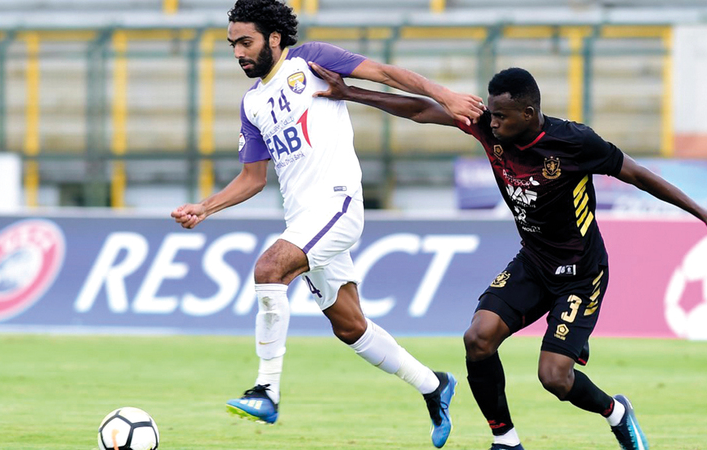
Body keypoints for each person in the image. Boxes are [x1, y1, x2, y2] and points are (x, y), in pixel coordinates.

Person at [308, 63, 707, 450]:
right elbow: (422, 111)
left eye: (501, 116)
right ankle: (505, 439)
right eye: (490, 113)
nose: (492, 122)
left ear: (529, 113)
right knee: (478, 338)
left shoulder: (575, 142)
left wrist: (706, 217)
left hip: (581, 274)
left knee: (554, 378)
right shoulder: (488, 125)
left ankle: (617, 412)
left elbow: (638, 174)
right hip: (534, 262)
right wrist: (352, 93)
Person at [170, 0, 486, 447]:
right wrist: (204, 207)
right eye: (232, 45)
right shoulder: (252, 103)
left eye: (246, 42)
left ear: (273, 38)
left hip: (337, 205)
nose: (238, 52)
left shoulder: (310, 60)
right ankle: (434, 386)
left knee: (269, 269)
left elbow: (386, 74)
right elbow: (252, 178)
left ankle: (266, 390)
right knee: (350, 326)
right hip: (303, 219)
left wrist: (446, 96)